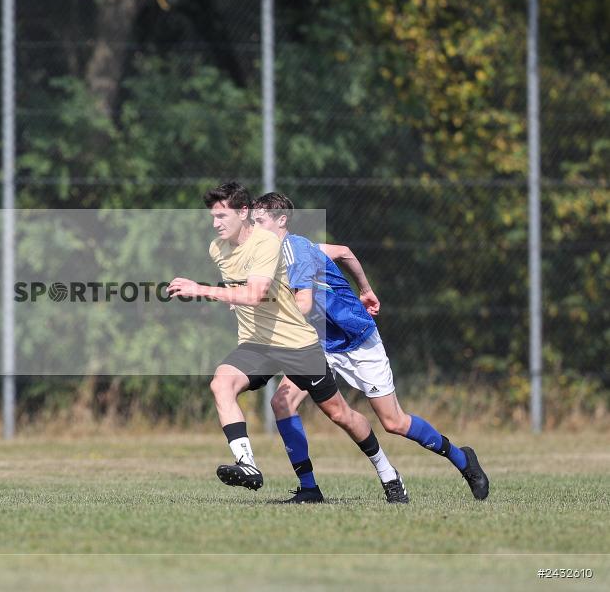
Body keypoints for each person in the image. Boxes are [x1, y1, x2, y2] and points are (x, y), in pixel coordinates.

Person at [167, 181, 407, 504]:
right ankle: (250, 465)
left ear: (243, 212)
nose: (215, 223)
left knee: (340, 414)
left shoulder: (266, 242)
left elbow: (255, 294)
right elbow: (242, 288)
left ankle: (387, 472)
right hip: (257, 343)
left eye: (222, 216)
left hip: (296, 343)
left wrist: (202, 290)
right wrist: (232, 296)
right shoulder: (217, 248)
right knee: (221, 383)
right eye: (212, 216)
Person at [250, 192, 490, 500]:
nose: (254, 229)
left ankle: (462, 459)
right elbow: (345, 252)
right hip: (319, 343)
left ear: (281, 221)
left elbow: (305, 302)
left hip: (357, 339)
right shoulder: (283, 252)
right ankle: (309, 489)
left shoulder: (296, 249)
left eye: (260, 221)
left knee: (394, 422)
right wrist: (365, 289)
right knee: (282, 404)